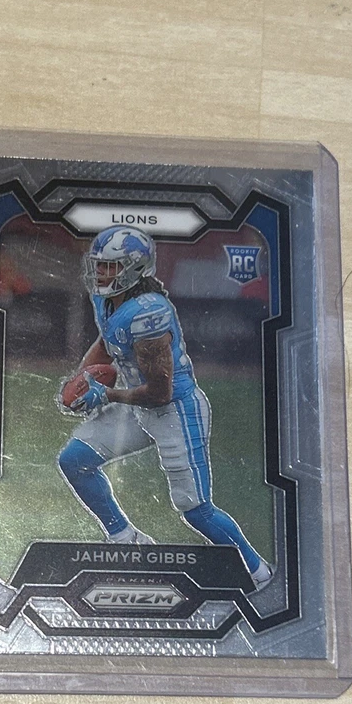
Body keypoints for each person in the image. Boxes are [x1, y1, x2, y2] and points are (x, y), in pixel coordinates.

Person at [57, 225, 273, 589]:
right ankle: (125, 538)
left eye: (110, 266)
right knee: (74, 460)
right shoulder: (106, 299)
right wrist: (81, 381)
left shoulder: (149, 314)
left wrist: (105, 395)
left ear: (134, 268)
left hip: (176, 410)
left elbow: (159, 392)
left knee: (197, 511)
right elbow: (107, 342)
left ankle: (257, 572)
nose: (101, 273)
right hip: (139, 406)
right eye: (100, 264)